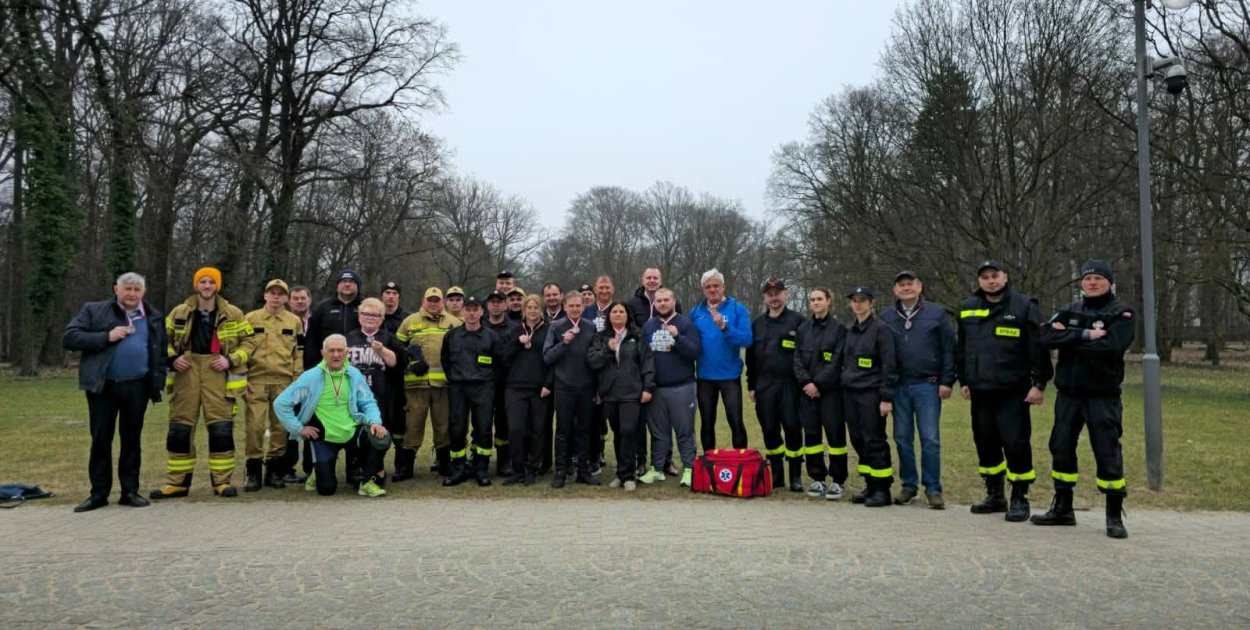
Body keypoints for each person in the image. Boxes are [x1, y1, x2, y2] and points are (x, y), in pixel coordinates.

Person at [1033, 260, 1135, 539]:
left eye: (1099, 278)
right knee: (1061, 446)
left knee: (1107, 452)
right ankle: (1063, 509)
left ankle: (1114, 516)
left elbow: (1111, 346)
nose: (1092, 282)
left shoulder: (1121, 312)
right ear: (1081, 283)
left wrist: (1066, 340)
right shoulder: (1070, 309)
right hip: (1069, 394)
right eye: (1088, 278)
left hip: (1102, 395)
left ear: (1109, 282)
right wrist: (1084, 335)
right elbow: (1044, 335)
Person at [956, 260, 1053, 522]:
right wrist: (963, 379)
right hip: (980, 390)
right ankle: (995, 494)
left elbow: (1039, 347)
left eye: (995, 276)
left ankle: (1020, 497)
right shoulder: (967, 307)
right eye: (985, 277)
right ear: (979, 281)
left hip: (1013, 390)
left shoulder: (1024, 306)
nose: (990, 281)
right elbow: (962, 347)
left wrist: (1039, 383)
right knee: (985, 442)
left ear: (1005, 277)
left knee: (1015, 443)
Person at [63, 272, 168, 512]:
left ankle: (129, 491)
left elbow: (160, 352)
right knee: (101, 440)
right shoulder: (94, 310)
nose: (131, 294)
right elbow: (69, 337)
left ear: (143, 292)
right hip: (103, 386)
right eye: (127, 289)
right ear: (116, 289)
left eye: (136, 289)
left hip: (137, 385)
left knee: (132, 440)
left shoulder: (153, 316)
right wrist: (105, 336)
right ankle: (98, 493)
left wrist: (157, 381)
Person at [150, 267, 253, 499]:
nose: (207, 286)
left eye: (211, 282)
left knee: (221, 429)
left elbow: (249, 343)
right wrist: (173, 359)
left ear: (218, 286)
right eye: (203, 282)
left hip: (218, 371)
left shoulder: (233, 313)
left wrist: (230, 359)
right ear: (196, 285)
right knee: (180, 429)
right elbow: (160, 340)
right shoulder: (179, 311)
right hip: (186, 370)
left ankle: (222, 482)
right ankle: (177, 483)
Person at [274, 334, 390, 497]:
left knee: (381, 437)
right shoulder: (311, 377)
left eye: (340, 350)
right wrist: (298, 428)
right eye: (331, 351)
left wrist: (375, 422)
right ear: (323, 353)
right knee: (326, 490)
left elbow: (368, 402)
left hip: (351, 431)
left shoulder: (354, 374)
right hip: (325, 436)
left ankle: (367, 482)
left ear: (347, 352)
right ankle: (316, 473)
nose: (336, 355)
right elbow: (281, 403)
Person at [880, 271, 956, 509]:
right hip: (899, 386)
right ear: (895, 290)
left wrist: (946, 380)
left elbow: (948, 349)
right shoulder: (886, 316)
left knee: (930, 439)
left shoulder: (937, 313)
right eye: (901, 285)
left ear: (919, 286)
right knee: (902, 438)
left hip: (928, 385)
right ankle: (908, 486)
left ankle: (933, 489)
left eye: (909, 284)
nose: (905, 288)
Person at [240, 279, 304, 492]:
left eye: (280, 293)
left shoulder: (294, 321)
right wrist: (243, 377)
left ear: (286, 297)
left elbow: (299, 353)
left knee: (280, 428)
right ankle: (253, 472)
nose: (276, 297)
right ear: (265, 295)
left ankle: (274, 471)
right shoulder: (250, 318)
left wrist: (297, 381)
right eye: (272, 293)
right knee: (255, 426)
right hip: (256, 380)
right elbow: (243, 349)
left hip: (284, 382)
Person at [394, 287, 462, 481]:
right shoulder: (410, 321)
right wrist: (411, 361)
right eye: (430, 300)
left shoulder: (454, 323)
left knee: (443, 426)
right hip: (416, 386)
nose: (433, 304)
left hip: (443, 386)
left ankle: (444, 464)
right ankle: (406, 467)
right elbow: (398, 349)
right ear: (423, 300)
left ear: (443, 302)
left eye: (437, 300)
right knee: (413, 426)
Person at [441, 296, 509, 486]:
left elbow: (500, 363)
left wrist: (487, 380)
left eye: (475, 310)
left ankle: (481, 468)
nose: (471, 314)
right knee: (456, 428)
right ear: (462, 311)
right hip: (458, 387)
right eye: (468, 310)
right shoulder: (452, 336)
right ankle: (458, 468)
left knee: (483, 428)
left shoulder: (491, 336)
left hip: (484, 387)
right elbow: (445, 361)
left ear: (481, 312)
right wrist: (455, 378)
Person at [588, 302, 655, 491]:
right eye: (614, 312)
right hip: (610, 393)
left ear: (628, 315)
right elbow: (593, 361)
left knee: (628, 431)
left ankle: (629, 476)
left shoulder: (637, 336)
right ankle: (621, 472)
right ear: (609, 316)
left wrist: (648, 387)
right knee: (618, 433)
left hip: (632, 392)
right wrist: (607, 350)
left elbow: (647, 363)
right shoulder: (601, 337)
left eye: (621, 311)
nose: (618, 314)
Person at [840, 286, 898, 507]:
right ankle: (870, 484)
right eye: (854, 300)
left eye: (862, 300)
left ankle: (883, 489)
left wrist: (886, 397)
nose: (858, 304)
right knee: (857, 439)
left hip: (871, 394)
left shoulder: (881, 330)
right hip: (850, 393)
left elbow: (889, 365)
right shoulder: (850, 330)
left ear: (871, 303)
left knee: (874, 440)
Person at [747, 278, 805, 492]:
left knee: (792, 428)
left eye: (777, 293)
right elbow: (751, 358)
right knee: (769, 429)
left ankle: (796, 475)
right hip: (764, 386)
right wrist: (751, 385)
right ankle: (778, 474)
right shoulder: (758, 324)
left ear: (785, 294)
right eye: (770, 294)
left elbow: (806, 355)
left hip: (790, 385)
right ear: (765, 297)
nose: (774, 297)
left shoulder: (798, 321)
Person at [639, 288, 701, 487]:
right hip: (657, 388)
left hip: (682, 386)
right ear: (654, 304)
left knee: (684, 431)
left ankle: (689, 469)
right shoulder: (649, 325)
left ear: (674, 301)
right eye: (659, 301)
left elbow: (695, 352)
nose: (663, 303)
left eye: (666, 300)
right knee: (658, 433)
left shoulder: (685, 323)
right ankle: (657, 469)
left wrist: (677, 337)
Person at [689, 268, 752, 451]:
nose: (712, 289)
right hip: (704, 377)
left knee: (736, 421)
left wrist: (725, 328)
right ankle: (709, 465)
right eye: (708, 287)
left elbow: (747, 340)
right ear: (703, 290)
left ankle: (740, 462)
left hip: (730, 377)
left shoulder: (737, 309)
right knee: (707, 423)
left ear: (723, 286)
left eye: (716, 285)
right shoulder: (696, 312)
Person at [793, 287, 847, 500]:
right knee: (812, 436)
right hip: (806, 393)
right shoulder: (803, 329)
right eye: (813, 299)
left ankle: (838, 480)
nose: (816, 303)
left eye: (820, 299)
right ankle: (817, 478)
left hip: (831, 392)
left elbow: (837, 361)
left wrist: (819, 384)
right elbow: (796, 359)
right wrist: (806, 383)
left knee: (835, 437)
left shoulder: (839, 329)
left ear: (829, 301)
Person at [543, 291, 600, 488]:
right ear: (565, 307)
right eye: (571, 306)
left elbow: (595, 357)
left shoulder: (590, 326)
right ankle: (560, 471)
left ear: (583, 307)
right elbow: (547, 357)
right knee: (563, 430)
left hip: (586, 387)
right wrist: (563, 343)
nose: (575, 309)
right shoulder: (556, 327)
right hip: (564, 387)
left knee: (584, 430)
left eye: (578, 306)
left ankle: (583, 470)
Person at [345, 298, 404, 485]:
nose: (370, 318)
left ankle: (375, 471)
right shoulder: (348, 338)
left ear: (382, 319)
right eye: (366, 314)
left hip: (380, 396)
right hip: (353, 397)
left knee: (377, 435)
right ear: (359, 316)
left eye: (375, 315)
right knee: (354, 433)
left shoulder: (388, 338)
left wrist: (383, 351)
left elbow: (398, 362)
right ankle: (354, 468)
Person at [502, 295, 553, 485]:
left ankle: (533, 468)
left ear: (541, 310)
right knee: (516, 429)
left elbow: (553, 361)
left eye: (536, 307)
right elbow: (503, 358)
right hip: (515, 387)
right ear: (523, 310)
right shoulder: (513, 330)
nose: (532, 311)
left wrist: (548, 384)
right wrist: (517, 343)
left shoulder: (549, 331)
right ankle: (517, 469)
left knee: (538, 430)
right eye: (529, 307)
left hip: (539, 389)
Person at [485, 289, 520, 476]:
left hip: (506, 383)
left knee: (503, 423)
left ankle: (503, 461)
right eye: (492, 301)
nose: (496, 304)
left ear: (505, 305)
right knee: (481, 422)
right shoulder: (479, 325)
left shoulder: (514, 327)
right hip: (483, 383)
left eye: (499, 301)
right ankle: (479, 459)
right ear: (487, 305)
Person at [304, 269, 363, 369]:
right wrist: (312, 364)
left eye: (352, 282)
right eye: (343, 281)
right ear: (337, 285)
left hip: (358, 364)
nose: (347, 284)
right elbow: (312, 337)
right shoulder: (323, 307)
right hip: (327, 364)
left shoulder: (365, 306)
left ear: (358, 286)